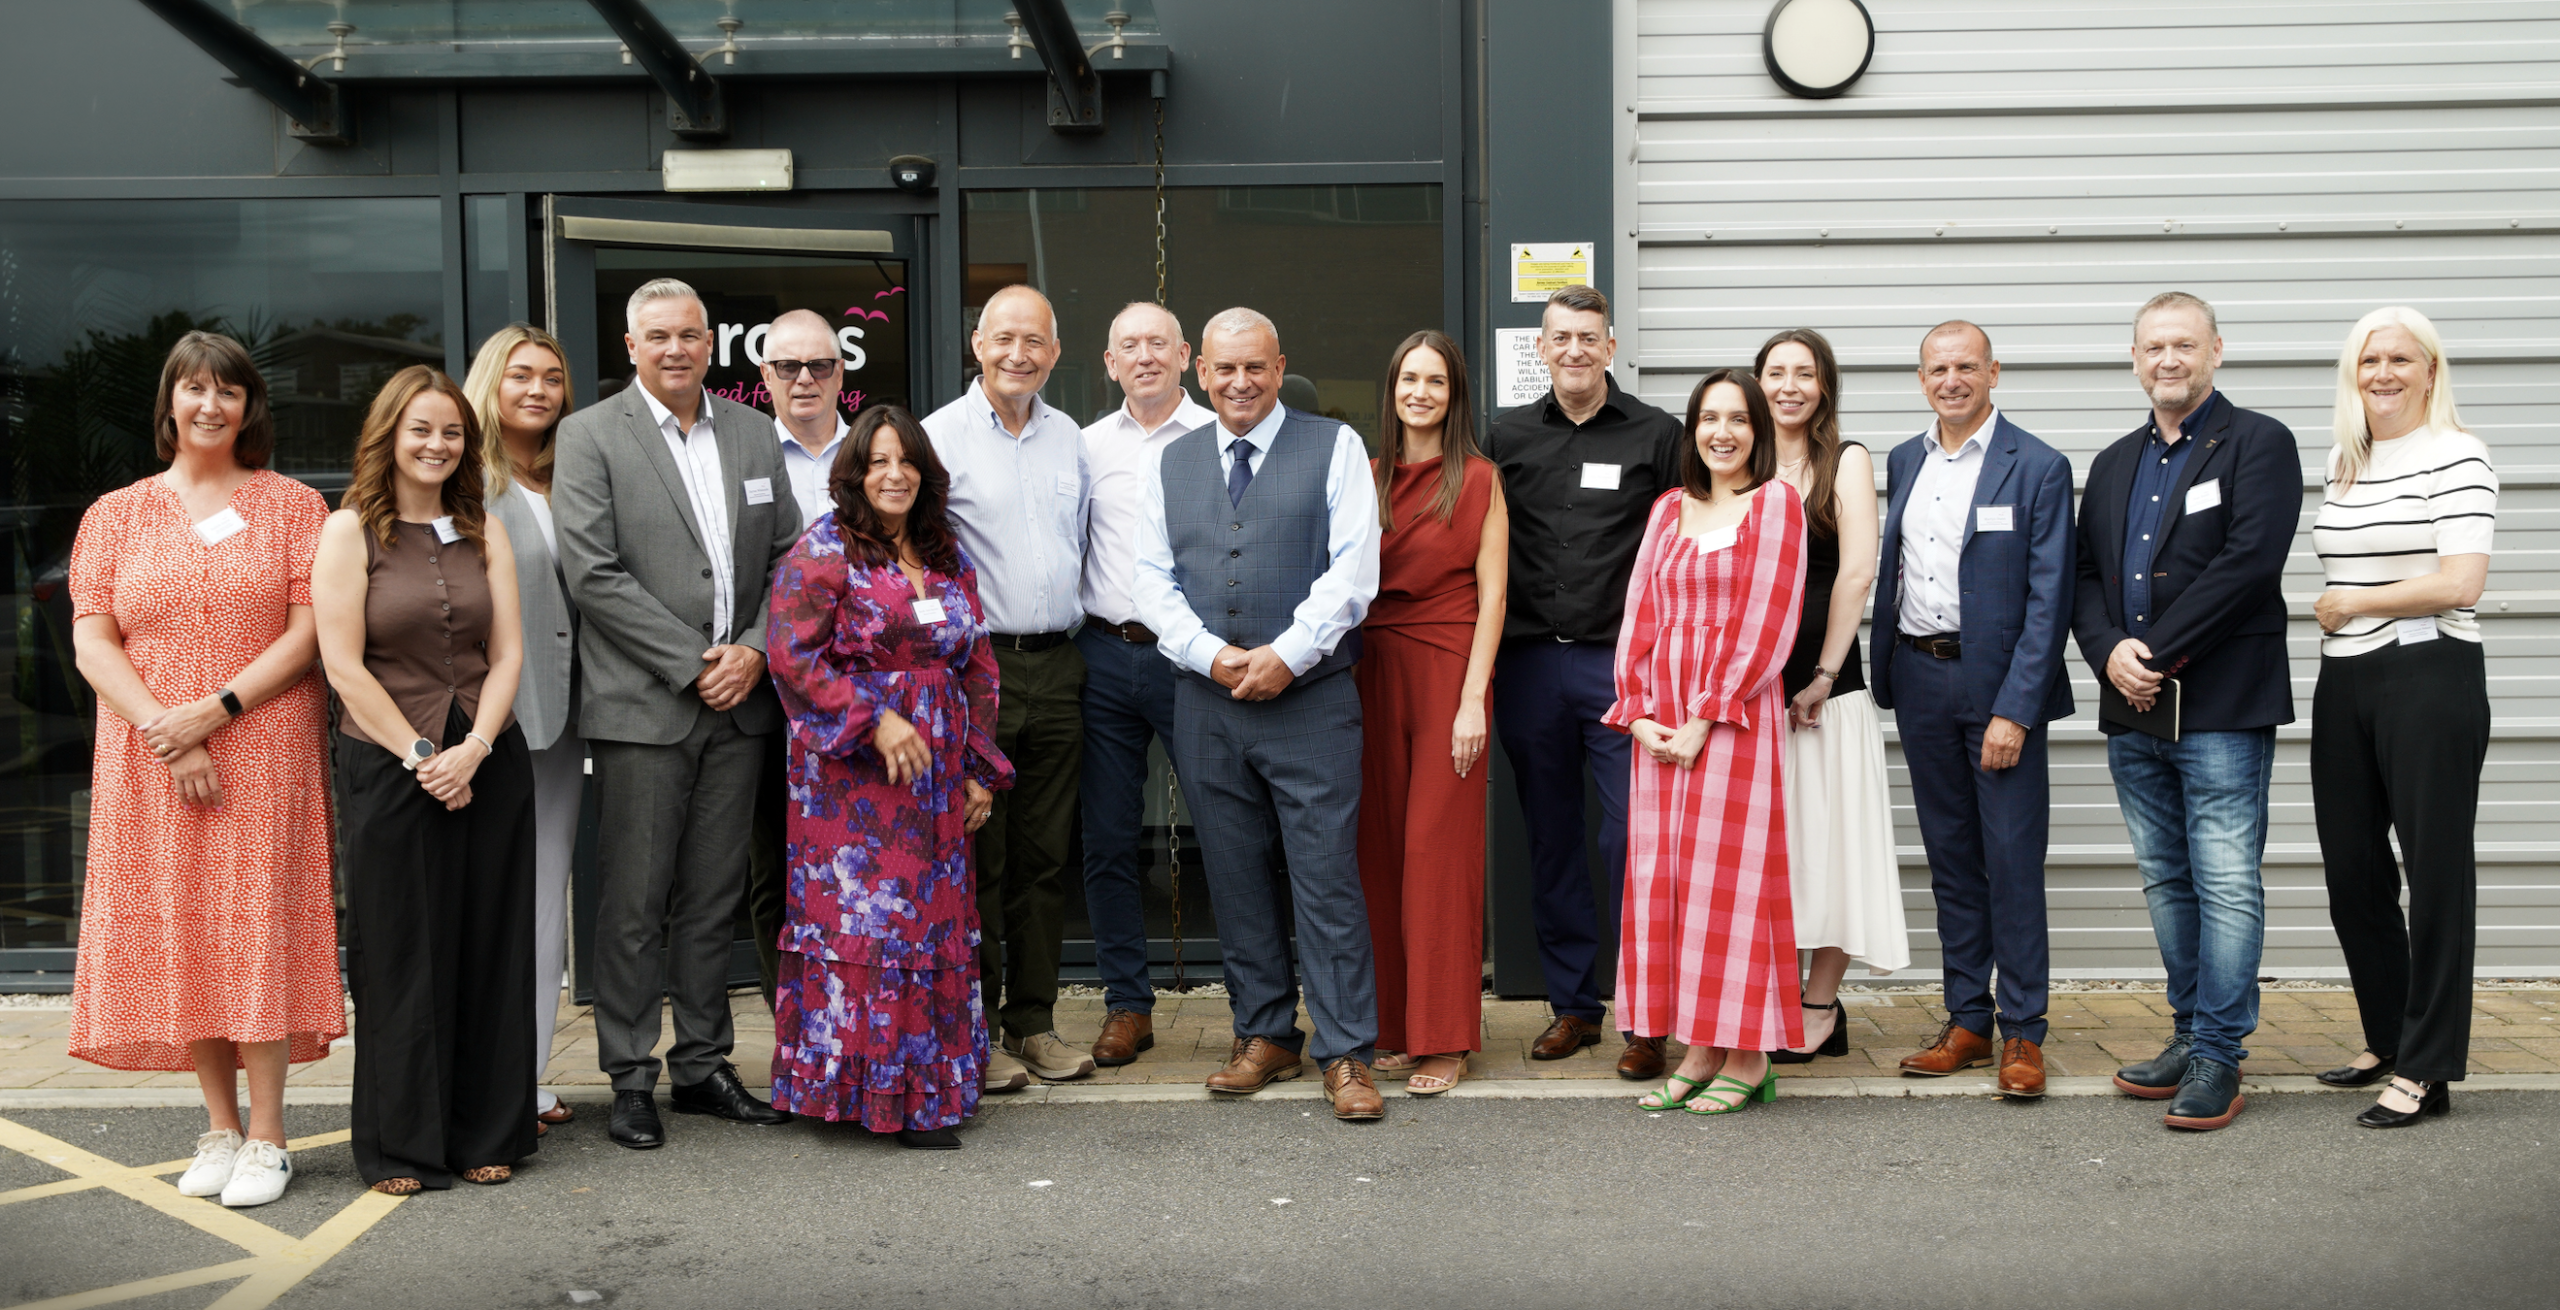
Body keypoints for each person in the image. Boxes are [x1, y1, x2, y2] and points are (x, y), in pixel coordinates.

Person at [66, 331, 344, 1209]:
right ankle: (220, 1128)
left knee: (252, 928)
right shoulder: (114, 515)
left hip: (261, 741)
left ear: (249, 407)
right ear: (170, 404)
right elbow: (92, 639)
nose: (210, 404)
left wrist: (213, 712)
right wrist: (168, 729)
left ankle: (269, 1137)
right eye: (194, 388)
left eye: (228, 390)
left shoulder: (295, 507)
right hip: (150, 753)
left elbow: (308, 634)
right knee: (184, 930)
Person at [553, 277, 802, 1150]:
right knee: (634, 900)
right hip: (645, 706)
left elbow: (790, 558)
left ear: (711, 345)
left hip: (740, 705)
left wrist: (757, 650)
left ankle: (701, 1065)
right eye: (657, 336)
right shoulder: (589, 435)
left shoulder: (753, 431)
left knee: (712, 898)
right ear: (631, 346)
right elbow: (592, 573)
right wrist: (697, 664)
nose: (675, 349)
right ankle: (631, 1074)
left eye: (690, 335)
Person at [1133, 306, 1387, 1121]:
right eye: (1224, 368)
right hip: (1207, 703)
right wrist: (1209, 654)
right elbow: (1149, 578)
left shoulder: (1334, 446)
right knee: (1235, 876)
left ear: (1280, 369)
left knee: (1326, 880)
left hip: (1311, 699)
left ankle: (1346, 1053)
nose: (1239, 382)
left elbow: (1354, 570)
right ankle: (1265, 1034)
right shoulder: (1170, 462)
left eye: (1255, 367)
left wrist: (1289, 654)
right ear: (1200, 373)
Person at [2071, 293, 2299, 1132]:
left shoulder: (2258, 443)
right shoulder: (2114, 462)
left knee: (2227, 881)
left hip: (2222, 704)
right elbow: (2084, 577)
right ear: (2135, 359)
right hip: (2134, 710)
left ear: (2215, 351)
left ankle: (2219, 1054)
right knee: (2167, 878)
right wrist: (2109, 653)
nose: (2168, 359)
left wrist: (2154, 656)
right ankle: (2187, 1032)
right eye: (2153, 347)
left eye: (2184, 345)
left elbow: (2249, 565)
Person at [313, 365, 538, 1194]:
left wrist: (474, 747)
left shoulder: (486, 530)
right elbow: (343, 664)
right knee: (402, 951)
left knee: (491, 947)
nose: (436, 445)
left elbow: (506, 654)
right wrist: (421, 756)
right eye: (421, 429)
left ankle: (488, 1132)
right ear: (389, 436)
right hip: (388, 764)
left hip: (488, 757)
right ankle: (401, 1146)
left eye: (451, 432)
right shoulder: (349, 532)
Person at [765, 405, 1012, 1150]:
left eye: (906, 460)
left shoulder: (944, 551)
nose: (894, 474)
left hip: (937, 773)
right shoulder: (825, 548)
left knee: (931, 923)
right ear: (854, 473)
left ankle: (925, 1091)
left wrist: (978, 768)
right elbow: (791, 656)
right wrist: (873, 719)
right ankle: (859, 1091)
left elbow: (978, 662)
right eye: (877, 461)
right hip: (853, 781)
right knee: (870, 927)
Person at [1481, 285, 1685, 1082]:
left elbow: (1684, 543)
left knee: (1633, 837)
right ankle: (1573, 1007)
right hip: (1530, 664)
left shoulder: (1657, 435)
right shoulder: (1505, 437)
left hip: (1620, 666)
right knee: (1553, 837)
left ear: (1610, 347)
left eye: (1588, 337)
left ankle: (1647, 1015)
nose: (1574, 350)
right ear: (1541, 348)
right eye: (1560, 337)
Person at [1871, 321, 2075, 1100]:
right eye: (1938, 369)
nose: (1951, 380)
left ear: (1994, 373)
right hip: (1920, 679)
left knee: (2012, 862)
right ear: (1921, 379)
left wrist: (2015, 710)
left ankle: (2023, 1031)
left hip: (1998, 691)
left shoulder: (2039, 466)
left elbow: (2050, 600)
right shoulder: (1905, 459)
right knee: (1951, 859)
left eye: (1965, 366)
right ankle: (1966, 1020)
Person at [2309, 307, 2497, 1129]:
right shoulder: (2345, 460)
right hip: (2345, 678)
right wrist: (2348, 617)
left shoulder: (2457, 453)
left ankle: (2428, 1065)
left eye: (2399, 359)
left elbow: (2462, 582)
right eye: (2368, 360)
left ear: (2430, 370)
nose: (2382, 373)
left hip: (2429, 672)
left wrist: (2353, 601)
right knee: (2353, 870)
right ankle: (2389, 1035)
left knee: (2436, 870)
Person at [1605, 369, 1808, 1115]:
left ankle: (1748, 1056)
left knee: (1732, 884)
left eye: (1738, 419)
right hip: (1661, 718)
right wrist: (1636, 711)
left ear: (1759, 429)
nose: (1723, 433)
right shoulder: (1668, 508)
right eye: (1709, 419)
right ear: (1692, 430)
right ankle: (1698, 1046)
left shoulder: (1775, 504)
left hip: (1732, 717)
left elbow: (1768, 620)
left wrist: (1706, 716)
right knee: (1668, 883)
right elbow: (1640, 612)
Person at [920, 284, 1095, 1089]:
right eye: (1004, 339)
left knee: (1043, 859)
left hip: (1058, 665)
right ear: (978, 345)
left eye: (1035, 341)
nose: (1018, 354)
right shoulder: (936, 439)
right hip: (974, 673)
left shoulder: (1071, 440)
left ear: (1055, 353)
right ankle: (974, 1031)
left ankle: (1033, 1023)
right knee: (975, 859)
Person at [1357, 331, 1506, 1097]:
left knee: (1435, 854)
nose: (1420, 392)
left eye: (1436, 381)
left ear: (1454, 396)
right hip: (1370, 671)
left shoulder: (1479, 479)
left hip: (1449, 671)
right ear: (1392, 390)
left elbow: (1494, 596)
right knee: (1379, 850)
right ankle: (1394, 1026)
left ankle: (1445, 1036)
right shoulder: (1365, 476)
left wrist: (1474, 699)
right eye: (1409, 379)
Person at [1755, 330, 1907, 1069]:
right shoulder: (1741, 462)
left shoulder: (1845, 460)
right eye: (1776, 373)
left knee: (1833, 850)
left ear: (1824, 387)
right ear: (1757, 383)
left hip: (1824, 693)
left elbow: (1855, 573)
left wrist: (1822, 673)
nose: (1789, 386)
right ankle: (1774, 997)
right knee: (1773, 856)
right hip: (1752, 697)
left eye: (1804, 374)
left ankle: (1820, 1005)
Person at [1076, 301, 1217, 1067]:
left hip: (1192, 660)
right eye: (1128, 345)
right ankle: (1127, 1004)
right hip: (1104, 656)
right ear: (1110, 362)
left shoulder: (1216, 437)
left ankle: (1259, 1006)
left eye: (1157, 343)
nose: (1144, 356)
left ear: (1185, 354)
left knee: (1228, 832)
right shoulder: (1085, 446)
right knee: (1106, 839)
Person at [462, 323, 584, 1138]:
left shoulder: (577, 472)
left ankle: (526, 1075)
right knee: (488, 902)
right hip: (492, 719)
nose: (538, 390)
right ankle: (479, 1076)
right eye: (520, 376)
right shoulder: (464, 478)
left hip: (571, 718)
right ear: (490, 384)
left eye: (551, 377)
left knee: (544, 903)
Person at [743, 308, 853, 1009]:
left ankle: (850, 1016)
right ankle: (793, 1022)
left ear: (842, 372)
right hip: (770, 688)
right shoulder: (743, 454)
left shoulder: (874, 453)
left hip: (861, 690)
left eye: (820, 365)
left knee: (856, 856)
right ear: (766, 375)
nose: (804, 378)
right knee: (774, 862)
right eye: (788, 366)